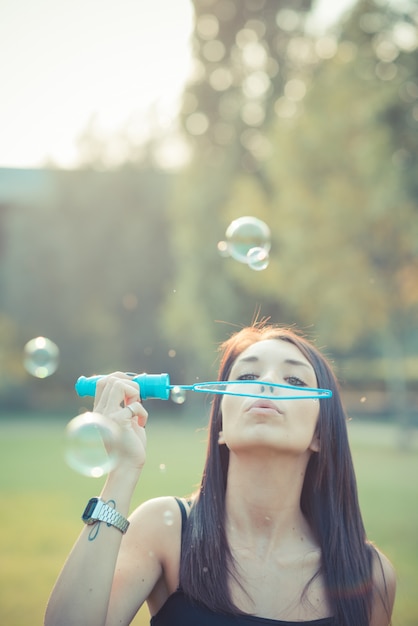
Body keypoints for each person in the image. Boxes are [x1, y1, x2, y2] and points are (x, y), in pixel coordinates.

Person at [44, 323, 396, 626]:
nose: (266, 383)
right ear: (221, 425)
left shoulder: (369, 575)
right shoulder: (167, 530)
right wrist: (121, 471)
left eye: (293, 378)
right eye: (246, 376)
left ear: (320, 433)